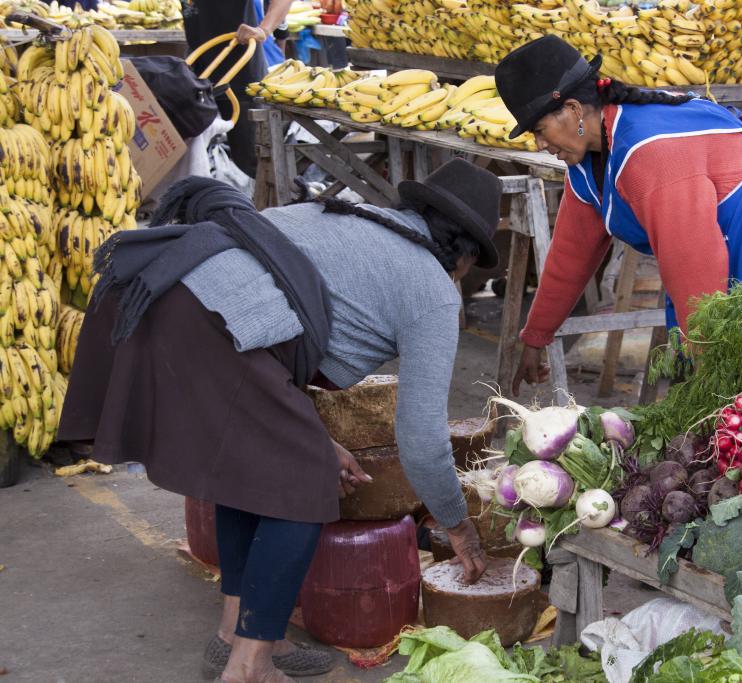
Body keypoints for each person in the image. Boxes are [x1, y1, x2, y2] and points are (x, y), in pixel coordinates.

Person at [57, 159, 499, 683]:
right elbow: (423, 438)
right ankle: (250, 668)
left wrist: (314, 438)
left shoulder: (344, 216)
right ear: (465, 253)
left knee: (250, 474)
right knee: (304, 484)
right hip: (219, 325)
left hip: (165, 292)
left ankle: (234, 635)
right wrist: (459, 526)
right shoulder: (432, 290)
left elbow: (275, 323)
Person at [494, 36, 742, 395]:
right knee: (716, 384)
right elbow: (572, 252)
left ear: (572, 110)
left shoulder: (651, 153)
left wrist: (707, 370)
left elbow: (694, 265)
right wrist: (537, 336)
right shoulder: (587, 160)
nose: (539, 144)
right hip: (707, 242)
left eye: (539, 130)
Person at [182, 0, 295, 177]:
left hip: (240, 74)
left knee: (252, 161)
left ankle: (273, 202)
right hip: (199, 70)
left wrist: (263, 30)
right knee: (195, 159)